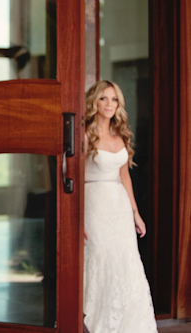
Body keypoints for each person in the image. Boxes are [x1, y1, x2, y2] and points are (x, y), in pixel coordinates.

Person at [83, 80, 157, 332]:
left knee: (126, 261)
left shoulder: (120, 134)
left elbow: (124, 176)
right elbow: (73, 177)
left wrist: (135, 213)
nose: (109, 104)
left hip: (119, 207)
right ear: (94, 101)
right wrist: (78, 216)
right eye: (104, 98)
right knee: (101, 258)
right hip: (95, 203)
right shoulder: (84, 135)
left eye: (114, 99)